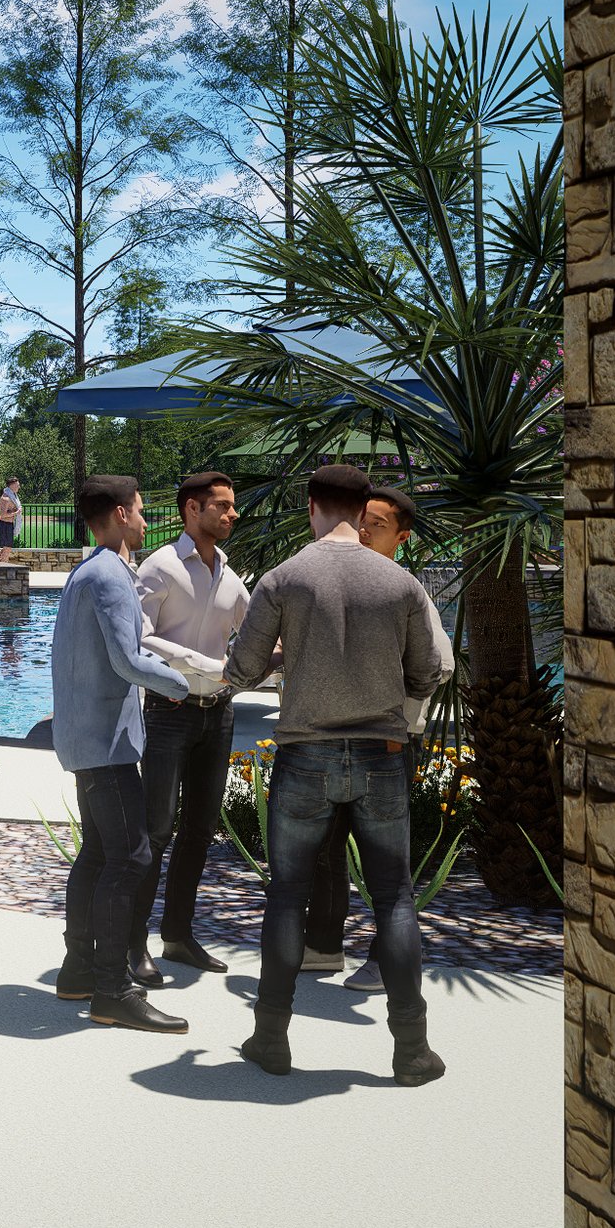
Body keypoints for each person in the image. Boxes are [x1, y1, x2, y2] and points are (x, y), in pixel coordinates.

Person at [227, 465, 448, 1086]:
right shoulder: (401, 583)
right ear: (361, 508)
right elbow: (426, 672)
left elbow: (241, 670)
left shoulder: (283, 578)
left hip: (305, 754)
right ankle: (411, 1051)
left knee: (287, 897)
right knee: (395, 899)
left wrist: (287, 658)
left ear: (312, 507)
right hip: (381, 751)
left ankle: (270, 1037)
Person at [50, 474, 193, 1034]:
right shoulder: (108, 573)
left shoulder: (89, 570)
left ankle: (78, 970)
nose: (144, 515)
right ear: (117, 512)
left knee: (99, 854)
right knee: (130, 857)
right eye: (139, 508)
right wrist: (190, 683)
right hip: (106, 746)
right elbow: (129, 662)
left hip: (90, 740)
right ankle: (113, 989)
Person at [303, 482, 455, 993]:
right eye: (363, 519)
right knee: (327, 848)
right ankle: (324, 946)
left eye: (380, 525)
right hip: (340, 740)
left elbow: (440, 664)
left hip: (387, 743)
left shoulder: (403, 588)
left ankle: (383, 962)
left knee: (385, 867)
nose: (365, 529)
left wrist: (400, 723)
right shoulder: (343, 579)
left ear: (403, 538)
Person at [132, 471, 249, 977]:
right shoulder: (158, 568)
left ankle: (178, 937)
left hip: (218, 715)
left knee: (199, 831)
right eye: (222, 505)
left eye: (232, 506)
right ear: (191, 510)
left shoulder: (230, 574)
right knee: (155, 831)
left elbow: (252, 639)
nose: (232, 514)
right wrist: (203, 665)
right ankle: (133, 944)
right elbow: (139, 639)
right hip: (168, 713)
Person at [0, 477, 22, 551]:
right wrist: (16, 512)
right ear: (12, 485)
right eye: (17, 485)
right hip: (5, 525)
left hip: (9, 525)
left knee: (6, 551)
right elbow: (3, 515)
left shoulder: (13, 497)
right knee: (5, 551)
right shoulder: (6, 498)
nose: (19, 487)